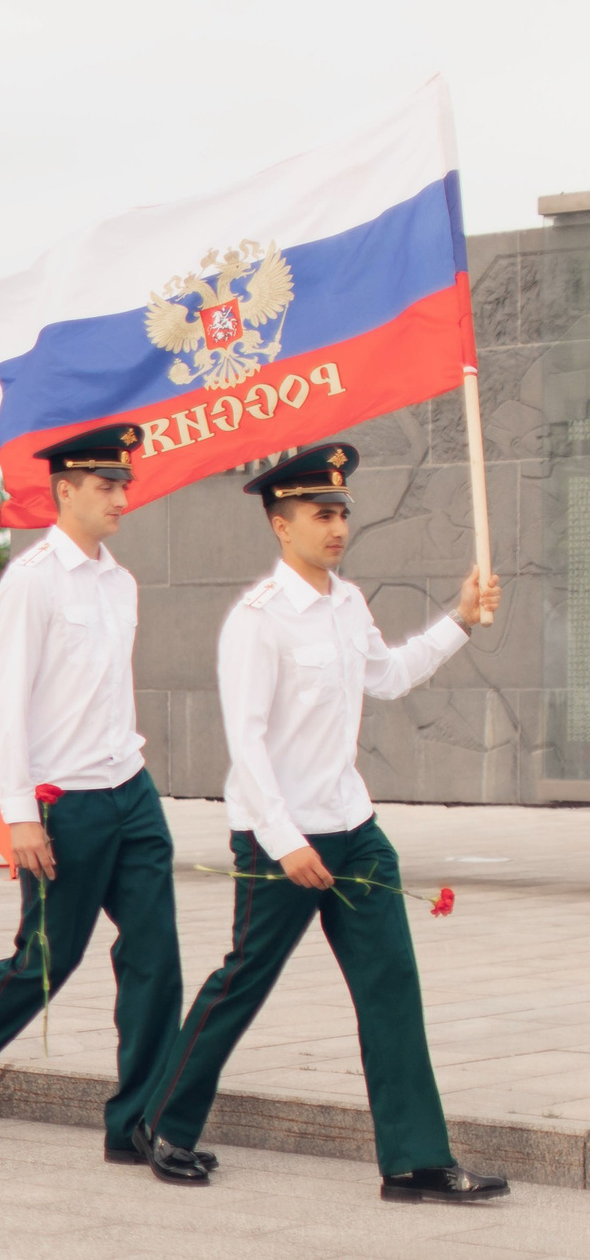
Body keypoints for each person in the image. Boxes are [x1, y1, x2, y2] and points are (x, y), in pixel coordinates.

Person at [140, 444, 509, 1203]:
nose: (337, 526)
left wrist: (461, 620)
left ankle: (414, 1160)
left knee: (391, 983)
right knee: (244, 980)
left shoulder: (348, 602)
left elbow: (389, 675)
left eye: (342, 512)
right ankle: (164, 1123)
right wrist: (286, 842)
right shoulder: (258, 621)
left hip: (354, 825)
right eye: (320, 513)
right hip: (283, 837)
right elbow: (246, 745)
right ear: (281, 525)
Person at [0, 424, 182, 1154]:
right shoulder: (33, 580)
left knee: (157, 956)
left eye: (124, 483)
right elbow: (9, 700)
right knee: (48, 957)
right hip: (67, 805)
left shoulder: (119, 581)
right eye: (106, 486)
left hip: (130, 787)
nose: (123, 496)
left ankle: (139, 1124)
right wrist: (20, 814)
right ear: (65, 491)